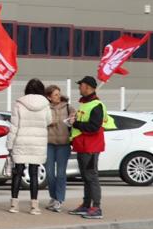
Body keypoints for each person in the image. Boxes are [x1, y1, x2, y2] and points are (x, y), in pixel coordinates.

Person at [67, 76, 113, 220]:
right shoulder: (85, 104)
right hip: (82, 146)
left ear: (87, 87)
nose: (79, 88)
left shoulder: (96, 105)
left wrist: (76, 124)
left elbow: (93, 127)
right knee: (86, 177)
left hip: (91, 147)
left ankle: (96, 207)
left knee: (91, 177)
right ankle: (86, 205)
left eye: (81, 85)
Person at [7, 79, 52, 215]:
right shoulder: (45, 104)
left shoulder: (19, 103)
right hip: (37, 142)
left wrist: (9, 145)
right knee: (34, 173)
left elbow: (14, 126)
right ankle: (34, 206)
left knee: (18, 173)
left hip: (21, 140)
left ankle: (14, 205)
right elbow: (49, 121)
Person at [44, 84, 73, 212]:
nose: (58, 96)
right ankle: (53, 197)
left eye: (59, 93)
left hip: (64, 144)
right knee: (49, 173)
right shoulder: (44, 108)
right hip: (48, 143)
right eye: (55, 94)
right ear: (49, 97)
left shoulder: (67, 106)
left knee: (61, 173)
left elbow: (75, 117)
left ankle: (59, 199)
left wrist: (73, 119)